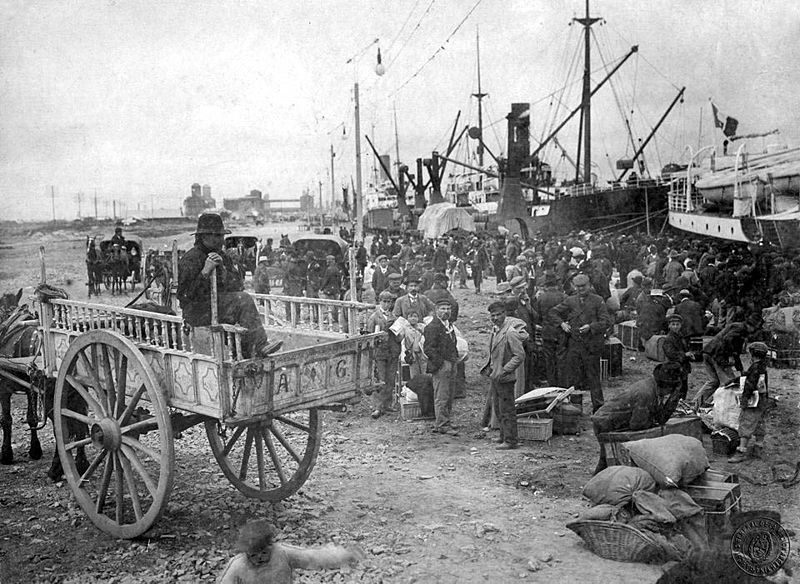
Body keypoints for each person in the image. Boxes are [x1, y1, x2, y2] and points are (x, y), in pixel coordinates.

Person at [177, 213, 281, 358]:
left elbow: (238, 285)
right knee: (243, 300)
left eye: (221, 235)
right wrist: (205, 272)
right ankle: (260, 344)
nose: (222, 240)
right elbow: (185, 296)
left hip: (218, 308)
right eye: (217, 236)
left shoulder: (222, 256)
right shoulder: (190, 259)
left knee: (241, 320)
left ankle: (247, 353)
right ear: (204, 237)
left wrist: (224, 271)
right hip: (197, 311)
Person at [591, 362, 684, 474]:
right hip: (606, 422)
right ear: (668, 387)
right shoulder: (646, 393)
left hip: (614, 421)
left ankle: (600, 479)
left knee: (609, 459)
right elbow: (637, 425)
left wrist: (674, 398)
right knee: (611, 457)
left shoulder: (653, 388)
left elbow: (660, 419)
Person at [217, 520, 363, 584]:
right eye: (253, 555)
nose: (259, 558)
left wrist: (344, 555)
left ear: (271, 545)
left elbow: (313, 557)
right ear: (246, 553)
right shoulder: (237, 566)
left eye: (263, 553)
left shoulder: (282, 553)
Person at [549, 273, 613, 412]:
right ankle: (575, 408)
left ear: (589, 285)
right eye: (577, 287)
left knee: (593, 378)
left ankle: (598, 408)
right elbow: (553, 312)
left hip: (591, 346)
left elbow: (605, 321)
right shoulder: (570, 300)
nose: (580, 289)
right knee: (573, 378)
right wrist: (562, 324)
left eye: (583, 286)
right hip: (574, 345)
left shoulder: (598, 300)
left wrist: (591, 327)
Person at [481, 302, 527, 450]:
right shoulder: (495, 330)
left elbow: (519, 356)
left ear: (505, 314)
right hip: (495, 376)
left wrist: (505, 370)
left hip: (505, 378)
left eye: (499, 314)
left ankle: (511, 440)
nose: (495, 318)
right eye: (492, 315)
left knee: (507, 410)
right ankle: (503, 436)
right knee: (499, 408)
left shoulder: (510, 332)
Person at [693, 316, 758, 408]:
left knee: (714, 382)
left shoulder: (738, 328)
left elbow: (736, 353)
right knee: (729, 382)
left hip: (709, 352)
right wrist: (730, 356)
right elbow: (728, 340)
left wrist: (741, 369)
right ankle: (725, 405)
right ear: (751, 326)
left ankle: (696, 403)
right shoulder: (740, 329)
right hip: (717, 354)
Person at [729, 342, 770, 463]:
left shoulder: (754, 368)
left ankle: (741, 451)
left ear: (753, 354)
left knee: (746, 422)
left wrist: (744, 399)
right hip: (762, 398)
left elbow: (750, 384)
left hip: (754, 400)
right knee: (760, 422)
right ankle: (758, 447)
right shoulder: (763, 366)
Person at [424, 299, 460, 435]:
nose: (446, 312)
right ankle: (441, 424)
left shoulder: (448, 325)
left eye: (448, 309)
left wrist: (454, 359)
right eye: (443, 309)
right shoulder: (432, 327)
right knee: (441, 395)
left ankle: (446, 420)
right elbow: (428, 349)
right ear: (436, 310)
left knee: (450, 394)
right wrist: (441, 363)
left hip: (452, 363)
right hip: (441, 365)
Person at [367, 290, 401, 419]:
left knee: (390, 379)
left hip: (392, 351)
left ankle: (387, 404)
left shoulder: (394, 317)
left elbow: (399, 335)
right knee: (379, 379)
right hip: (380, 352)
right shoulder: (374, 317)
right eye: (384, 301)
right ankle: (377, 407)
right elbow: (370, 335)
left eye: (389, 302)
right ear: (379, 302)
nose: (387, 304)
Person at [662, 314, 693, 399]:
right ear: (669, 326)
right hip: (673, 368)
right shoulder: (669, 339)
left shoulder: (680, 336)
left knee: (683, 389)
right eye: (673, 324)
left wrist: (689, 355)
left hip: (682, 368)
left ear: (681, 325)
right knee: (676, 391)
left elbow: (684, 349)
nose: (675, 327)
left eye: (677, 324)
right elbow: (670, 354)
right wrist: (684, 355)